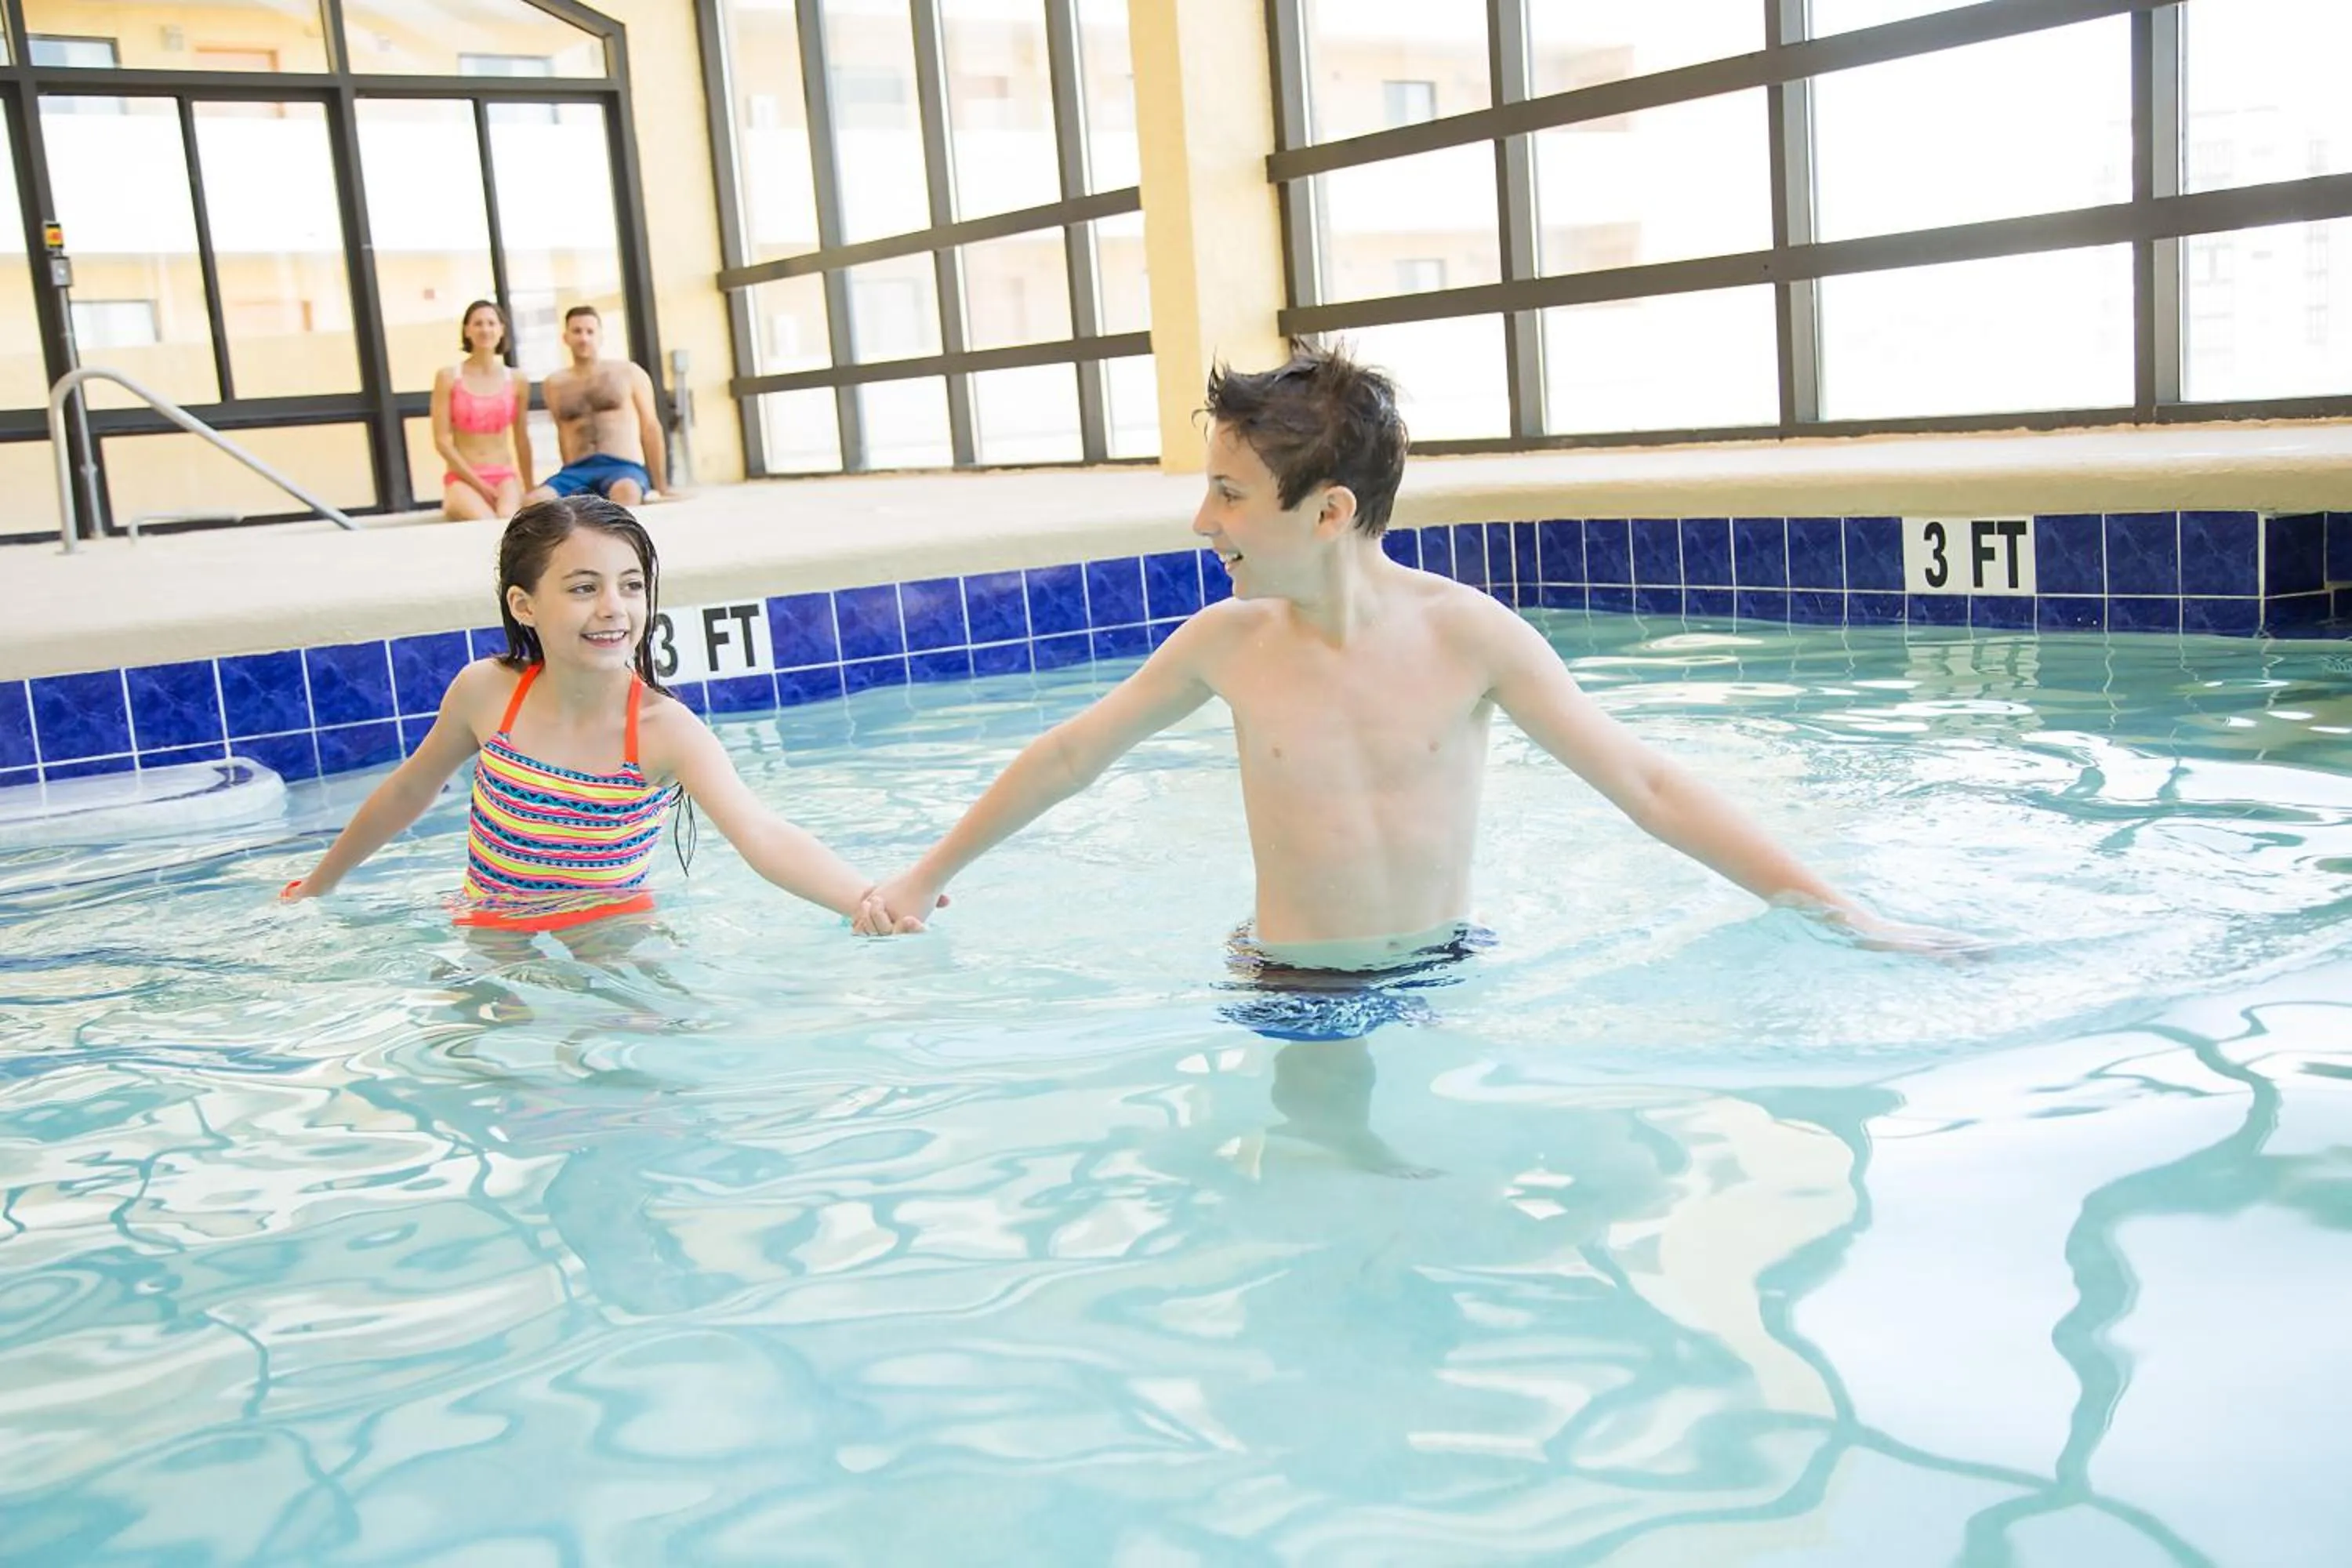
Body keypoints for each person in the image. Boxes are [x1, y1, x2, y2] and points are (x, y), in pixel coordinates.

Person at [859, 343, 1970, 964]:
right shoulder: (1226, 645)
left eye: (1230, 494)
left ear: (1330, 512)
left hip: (1451, 963)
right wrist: (923, 876)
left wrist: (1847, 916)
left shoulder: (1469, 638)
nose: (1203, 522)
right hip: (1293, 985)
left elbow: (1649, 785)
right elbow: (1068, 758)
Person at [285, 495, 920, 935]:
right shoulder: (487, 694)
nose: (614, 608)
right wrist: (318, 886)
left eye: (632, 585)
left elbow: (760, 833)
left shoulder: (663, 731)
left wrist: (862, 900)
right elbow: (409, 790)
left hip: (613, 934)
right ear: (524, 604)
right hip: (491, 926)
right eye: (584, 588)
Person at [525, 305, 673, 506]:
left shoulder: (628, 372)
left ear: (601, 336)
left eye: (590, 331)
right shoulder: (554, 383)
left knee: (626, 492)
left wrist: (661, 486)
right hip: (576, 471)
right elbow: (563, 433)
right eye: (577, 331)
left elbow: (650, 427)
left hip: (623, 468)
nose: (584, 338)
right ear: (565, 337)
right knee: (536, 501)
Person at [433, 299, 532, 521]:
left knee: (508, 520)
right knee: (484, 521)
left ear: (501, 330)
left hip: (505, 475)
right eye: (478, 324)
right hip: (462, 477)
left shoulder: (517, 380)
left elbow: (521, 439)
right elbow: (442, 441)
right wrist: (479, 485)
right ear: (467, 330)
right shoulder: (448, 377)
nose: (485, 329)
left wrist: (530, 488)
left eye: (491, 323)